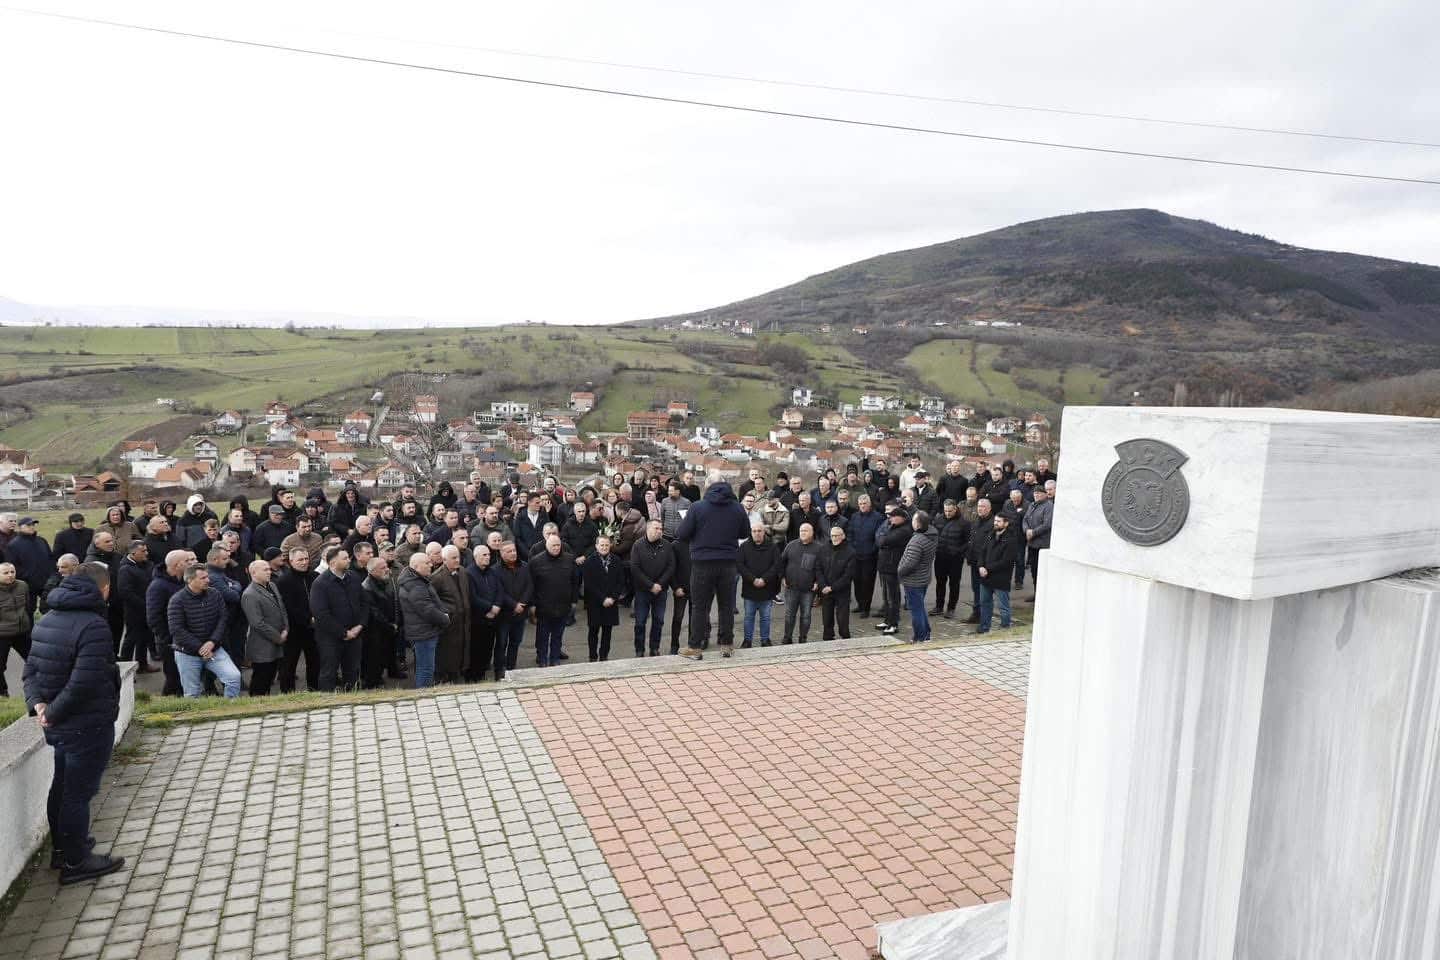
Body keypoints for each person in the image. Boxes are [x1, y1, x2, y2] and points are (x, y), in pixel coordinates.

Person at [22, 560, 126, 885]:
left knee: (63, 785)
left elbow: (30, 671)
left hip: (60, 724)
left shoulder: (48, 618)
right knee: (77, 794)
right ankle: (76, 862)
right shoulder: (93, 625)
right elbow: (85, 681)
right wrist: (51, 712)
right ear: (104, 589)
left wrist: (39, 705)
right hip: (86, 723)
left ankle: (63, 850)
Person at [674, 475, 749, 660]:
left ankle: (695, 647)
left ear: (707, 486)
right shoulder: (737, 507)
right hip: (728, 564)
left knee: (700, 606)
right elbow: (745, 533)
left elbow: (681, 534)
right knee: (726, 606)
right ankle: (726, 645)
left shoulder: (697, 507)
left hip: (702, 564)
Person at [168, 562, 242, 698]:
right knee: (192, 694)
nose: (208, 580)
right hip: (187, 653)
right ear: (190, 580)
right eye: (203, 578)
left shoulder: (215, 594)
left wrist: (212, 642)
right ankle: (194, 713)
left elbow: (222, 619)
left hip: (214, 649)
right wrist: (201, 647)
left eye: (207, 576)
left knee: (233, 677)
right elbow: (177, 630)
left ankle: (230, 707)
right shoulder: (177, 600)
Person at [309, 547, 366, 691]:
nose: (349, 560)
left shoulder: (353, 577)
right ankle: (327, 701)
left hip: (355, 635)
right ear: (333, 562)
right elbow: (321, 614)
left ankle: (352, 698)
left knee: (353, 671)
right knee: (329, 673)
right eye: (345, 558)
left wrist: (360, 626)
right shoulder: (320, 584)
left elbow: (365, 603)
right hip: (330, 638)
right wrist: (344, 633)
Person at [397, 553, 449, 688]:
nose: (431, 565)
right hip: (424, 633)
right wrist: (445, 618)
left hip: (422, 631)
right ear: (416, 566)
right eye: (427, 563)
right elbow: (428, 610)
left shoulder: (416, 580)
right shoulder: (415, 585)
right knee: (426, 669)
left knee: (424, 667)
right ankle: (424, 696)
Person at [241, 559, 288, 696]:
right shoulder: (249, 594)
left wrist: (286, 628)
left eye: (269, 569)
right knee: (261, 681)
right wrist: (278, 637)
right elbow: (257, 623)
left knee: (270, 677)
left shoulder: (272, 585)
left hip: (278, 641)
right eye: (265, 570)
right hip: (262, 646)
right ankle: (256, 704)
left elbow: (282, 608)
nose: (269, 572)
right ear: (254, 573)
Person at [275, 547, 319, 692]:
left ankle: (315, 691)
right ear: (291, 561)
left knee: (315, 662)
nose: (304, 562)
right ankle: (288, 695)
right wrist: (308, 619)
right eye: (300, 559)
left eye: (306, 559)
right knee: (289, 665)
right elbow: (288, 606)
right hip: (293, 630)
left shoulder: (315, 576)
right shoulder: (283, 581)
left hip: (314, 629)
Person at [629, 520, 673, 657]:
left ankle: (654, 648)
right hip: (642, 591)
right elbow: (635, 568)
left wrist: (659, 584)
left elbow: (671, 566)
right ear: (648, 529)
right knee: (640, 622)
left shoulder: (666, 545)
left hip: (661, 591)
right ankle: (639, 650)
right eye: (656, 528)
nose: (659, 531)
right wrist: (650, 585)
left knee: (658, 621)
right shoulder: (638, 545)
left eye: (661, 529)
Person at [530, 534, 575, 668]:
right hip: (544, 606)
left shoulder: (569, 559)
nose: (556, 548)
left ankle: (555, 658)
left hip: (563, 605)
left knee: (557, 635)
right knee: (543, 636)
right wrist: (532, 605)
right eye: (553, 545)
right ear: (546, 546)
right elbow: (531, 585)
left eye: (558, 545)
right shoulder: (536, 561)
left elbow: (575, 581)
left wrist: (573, 601)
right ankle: (542, 659)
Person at [465, 545, 508, 681]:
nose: (488, 557)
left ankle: (482, 674)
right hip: (478, 619)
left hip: (493, 617)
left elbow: (500, 590)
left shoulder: (492, 571)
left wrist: (497, 606)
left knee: (488, 648)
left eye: (488, 554)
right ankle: (473, 677)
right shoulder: (469, 573)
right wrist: (490, 607)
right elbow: (472, 597)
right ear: (476, 557)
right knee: (476, 649)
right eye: (484, 555)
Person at [430, 544, 471, 683]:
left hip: (464, 621)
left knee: (462, 650)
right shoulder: (437, 577)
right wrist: (445, 615)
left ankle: (457, 674)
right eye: (453, 558)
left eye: (458, 557)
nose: (457, 560)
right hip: (449, 624)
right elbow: (432, 600)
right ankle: (444, 678)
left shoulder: (463, 571)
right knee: (448, 652)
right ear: (444, 560)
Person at [737, 521, 781, 648]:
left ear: (764, 532)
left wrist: (764, 579)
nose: (757, 533)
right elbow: (740, 565)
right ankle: (747, 640)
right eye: (754, 531)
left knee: (765, 617)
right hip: (750, 589)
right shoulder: (744, 547)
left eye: (759, 531)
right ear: (751, 532)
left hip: (767, 589)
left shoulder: (773, 547)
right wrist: (753, 580)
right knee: (748, 617)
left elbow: (776, 566)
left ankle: (765, 640)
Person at [897, 511, 938, 644]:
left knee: (916, 610)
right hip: (923, 578)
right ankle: (926, 634)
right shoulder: (932, 535)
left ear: (918, 524)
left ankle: (920, 637)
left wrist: (899, 571)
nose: (912, 523)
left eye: (914, 520)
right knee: (920, 607)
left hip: (913, 581)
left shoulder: (917, 540)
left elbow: (910, 563)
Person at [582, 535, 624, 662]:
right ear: (596, 546)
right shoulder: (589, 562)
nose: (604, 547)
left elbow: (620, 582)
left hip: (611, 603)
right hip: (595, 603)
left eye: (607, 545)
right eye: (602, 545)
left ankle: (604, 656)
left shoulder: (617, 560)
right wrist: (602, 599)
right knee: (593, 631)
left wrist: (613, 598)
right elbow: (589, 584)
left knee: (607, 632)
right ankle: (592, 656)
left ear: (610, 545)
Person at [116, 541, 156, 671]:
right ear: (133, 553)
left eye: (146, 550)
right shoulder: (125, 569)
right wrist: (144, 604)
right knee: (131, 639)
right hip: (134, 611)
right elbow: (125, 592)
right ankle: (125, 668)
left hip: (147, 609)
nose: (146, 553)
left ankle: (142, 664)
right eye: (143, 551)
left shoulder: (147, 565)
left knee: (144, 638)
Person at [779, 523, 823, 644]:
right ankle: (787, 637)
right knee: (789, 615)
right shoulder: (791, 545)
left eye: (806, 531)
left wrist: (818, 582)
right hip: (791, 587)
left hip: (808, 589)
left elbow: (823, 568)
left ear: (812, 533)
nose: (803, 533)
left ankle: (803, 638)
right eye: (801, 530)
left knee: (806, 616)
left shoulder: (819, 548)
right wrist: (782, 577)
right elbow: (781, 563)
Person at [978, 512, 1021, 634]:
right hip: (986, 577)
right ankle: (984, 628)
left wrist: (987, 568)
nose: (995, 523)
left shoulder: (1011, 540)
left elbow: (1006, 561)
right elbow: (982, 551)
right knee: (985, 603)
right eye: (995, 521)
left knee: (1003, 606)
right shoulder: (991, 534)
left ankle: (1005, 629)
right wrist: (980, 566)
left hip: (1000, 578)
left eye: (998, 521)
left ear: (1006, 523)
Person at [359, 556, 397, 689]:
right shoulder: (366, 587)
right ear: (373, 571)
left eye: (386, 566)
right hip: (374, 629)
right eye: (383, 568)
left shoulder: (385, 581)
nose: (387, 570)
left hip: (388, 625)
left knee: (389, 650)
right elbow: (375, 613)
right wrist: (389, 625)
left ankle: (390, 672)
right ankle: (372, 681)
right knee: (374, 655)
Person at [495, 541, 532, 677]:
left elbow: (529, 586)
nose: (513, 553)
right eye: (509, 551)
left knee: (515, 642)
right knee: (501, 643)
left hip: (520, 614)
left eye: (514, 550)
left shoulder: (525, 566)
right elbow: (499, 591)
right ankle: (499, 670)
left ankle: (511, 667)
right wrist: (514, 605)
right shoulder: (495, 570)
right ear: (502, 554)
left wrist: (522, 603)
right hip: (504, 615)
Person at [932, 500, 971, 619]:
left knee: (954, 584)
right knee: (940, 583)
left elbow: (968, 541)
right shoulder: (938, 519)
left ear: (955, 509)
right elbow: (934, 535)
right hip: (940, 556)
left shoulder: (964, 523)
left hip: (955, 559)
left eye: (950, 511)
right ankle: (939, 606)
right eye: (946, 511)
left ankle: (951, 608)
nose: (947, 513)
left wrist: (959, 551)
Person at [8, 517, 53, 621]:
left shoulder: (41, 541)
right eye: (28, 525)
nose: (32, 527)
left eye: (33, 525)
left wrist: (51, 574)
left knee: (51, 608)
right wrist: (27, 577)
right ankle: (30, 630)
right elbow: (13, 566)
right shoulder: (14, 545)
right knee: (29, 611)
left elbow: (51, 558)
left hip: (46, 583)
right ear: (20, 527)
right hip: (28, 585)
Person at [876, 507, 912, 636]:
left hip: (892, 567)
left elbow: (883, 540)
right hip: (885, 565)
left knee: (893, 597)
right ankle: (887, 620)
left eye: (893, 516)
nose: (890, 518)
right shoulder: (893, 527)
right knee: (886, 596)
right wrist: (882, 539)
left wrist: (883, 539)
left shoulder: (904, 530)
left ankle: (893, 624)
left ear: (901, 517)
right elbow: (880, 539)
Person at [847, 494, 883, 619]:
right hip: (856, 555)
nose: (862, 506)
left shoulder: (877, 517)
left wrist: (872, 550)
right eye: (860, 504)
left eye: (864, 504)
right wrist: (852, 548)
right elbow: (850, 534)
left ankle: (866, 608)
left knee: (867, 582)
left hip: (870, 556)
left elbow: (878, 536)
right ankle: (860, 603)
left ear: (869, 504)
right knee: (857, 581)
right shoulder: (854, 517)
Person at [818, 525, 855, 642]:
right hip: (825, 589)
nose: (834, 538)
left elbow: (848, 575)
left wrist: (832, 588)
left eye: (837, 536)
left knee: (842, 617)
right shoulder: (823, 549)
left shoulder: (850, 552)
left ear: (843, 536)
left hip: (842, 590)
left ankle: (845, 637)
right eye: (832, 536)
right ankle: (828, 637)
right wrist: (823, 585)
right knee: (827, 616)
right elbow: (818, 569)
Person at [0, 562, 32, 696]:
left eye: (12, 572)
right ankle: (3, 694)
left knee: (35, 661)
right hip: (2, 635)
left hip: (22, 632)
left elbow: (28, 607)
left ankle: (38, 689)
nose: (10, 575)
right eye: (6, 573)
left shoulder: (22, 585)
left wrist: (29, 625)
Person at [964, 499, 995, 625]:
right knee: (976, 588)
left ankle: (984, 617)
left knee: (985, 590)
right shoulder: (976, 521)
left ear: (989, 508)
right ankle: (976, 613)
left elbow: (991, 545)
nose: (980, 509)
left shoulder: (993, 523)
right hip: (974, 561)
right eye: (979, 506)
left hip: (985, 563)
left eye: (983, 506)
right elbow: (972, 539)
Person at [1022, 482, 1055, 590]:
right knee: (1034, 570)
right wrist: (1027, 530)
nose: (1036, 495)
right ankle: (1036, 592)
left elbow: (1047, 524)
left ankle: (1040, 593)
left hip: (1042, 544)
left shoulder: (1049, 506)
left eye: (1039, 493)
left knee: (1041, 571)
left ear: (1045, 494)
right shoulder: (1032, 505)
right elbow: (1025, 519)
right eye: (1035, 493)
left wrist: (1033, 532)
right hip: (1032, 543)